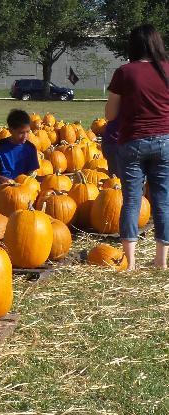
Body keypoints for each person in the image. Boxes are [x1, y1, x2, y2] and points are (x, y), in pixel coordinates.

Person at [106, 24, 169, 271]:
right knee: (163, 200)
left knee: (132, 200)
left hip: (132, 141)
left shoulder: (124, 72)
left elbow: (110, 115)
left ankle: (130, 262)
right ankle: (160, 261)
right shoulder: (166, 70)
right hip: (165, 140)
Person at [0, 109, 39, 194]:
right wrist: (1, 178)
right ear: (11, 130)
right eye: (21, 133)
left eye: (27, 132)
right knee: (6, 194)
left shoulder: (30, 148)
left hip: (23, 184)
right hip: (1, 185)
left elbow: (31, 173)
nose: (25, 136)